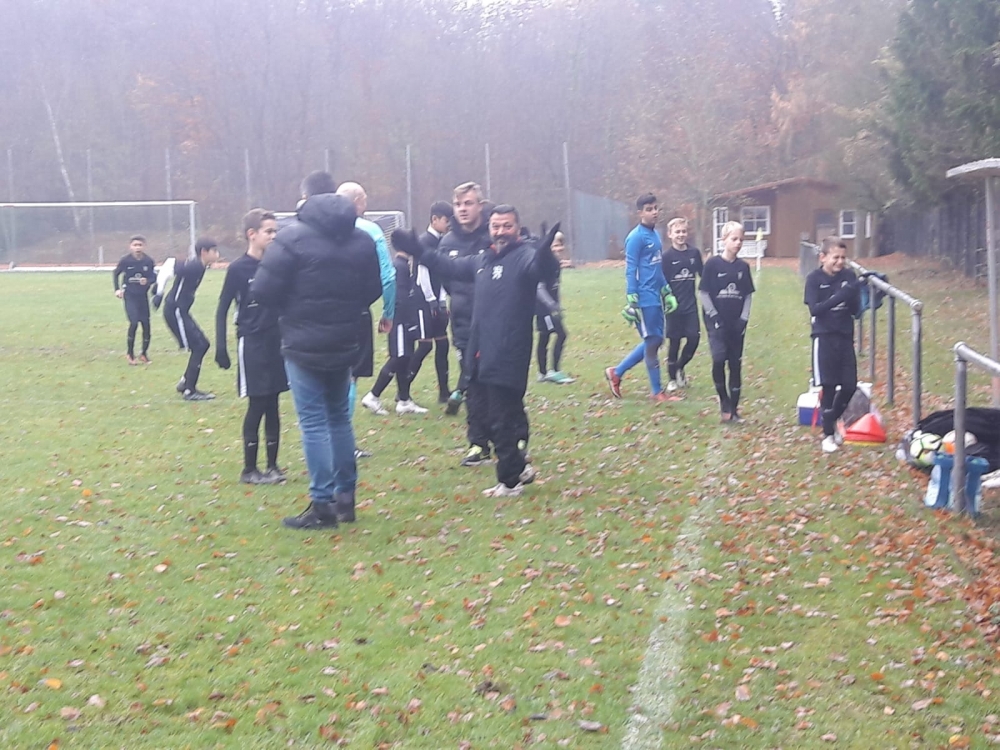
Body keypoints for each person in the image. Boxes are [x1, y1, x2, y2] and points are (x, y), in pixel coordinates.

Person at [394, 207, 560, 497]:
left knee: (502, 418)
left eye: (507, 226)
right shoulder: (483, 260)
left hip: (508, 351)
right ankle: (518, 467)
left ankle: (510, 482)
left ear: (517, 228)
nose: (500, 232)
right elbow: (447, 265)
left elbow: (542, 269)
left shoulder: (524, 257)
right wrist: (418, 250)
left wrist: (546, 255)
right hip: (480, 350)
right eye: (496, 226)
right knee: (486, 414)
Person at [251, 171, 383, 530]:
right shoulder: (361, 239)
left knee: (313, 422)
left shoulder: (290, 238)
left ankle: (322, 503)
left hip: (302, 341)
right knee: (339, 418)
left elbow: (263, 290)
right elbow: (372, 288)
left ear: (305, 198)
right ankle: (346, 498)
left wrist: (292, 309)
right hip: (345, 339)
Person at [214, 208, 288, 485]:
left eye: (275, 231)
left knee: (273, 404)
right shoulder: (238, 269)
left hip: (276, 342)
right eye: (269, 231)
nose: (274, 236)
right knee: (257, 403)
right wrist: (221, 346)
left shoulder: (277, 265)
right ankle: (249, 469)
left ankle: (273, 466)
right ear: (252, 234)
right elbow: (223, 308)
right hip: (252, 342)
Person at [335, 182, 396, 452]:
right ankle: (344, 443)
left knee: (326, 377)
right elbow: (388, 276)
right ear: (358, 201)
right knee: (349, 376)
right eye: (365, 199)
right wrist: (388, 312)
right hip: (355, 312)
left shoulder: (322, 229)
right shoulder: (370, 230)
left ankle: (324, 438)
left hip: (321, 313)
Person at [437, 182, 495, 466]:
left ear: (480, 206)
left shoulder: (493, 235)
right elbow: (446, 280)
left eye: (468, 203)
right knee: (472, 382)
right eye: (458, 204)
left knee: (499, 383)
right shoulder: (447, 242)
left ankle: (512, 439)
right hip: (462, 324)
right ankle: (478, 444)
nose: (462, 209)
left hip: (495, 321)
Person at [604, 194, 678, 402]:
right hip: (644, 298)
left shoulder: (655, 235)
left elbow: (656, 267)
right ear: (640, 213)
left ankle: (616, 372)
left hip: (655, 296)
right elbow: (631, 268)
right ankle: (656, 391)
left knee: (655, 340)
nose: (654, 212)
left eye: (656, 208)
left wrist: (666, 291)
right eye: (649, 209)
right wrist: (632, 296)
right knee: (653, 341)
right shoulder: (635, 237)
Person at [804, 236, 862, 453]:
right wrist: (841, 295)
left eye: (843, 258)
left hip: (845, 336)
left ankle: (831, 419)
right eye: (835, 257)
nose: (840, 262)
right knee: (828, 387)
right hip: (824, 337)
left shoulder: (849, 276)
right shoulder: (814, 279)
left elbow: (855, 310)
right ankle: (828, 434)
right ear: (823, 257)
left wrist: (858, 295)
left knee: (849, 386)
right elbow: (815, 310)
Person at [360, 231, 427, 415]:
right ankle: (373, 396)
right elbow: (401, 297)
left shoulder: (404, 265)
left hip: (403, 320)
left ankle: (404, 400)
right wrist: (407, 320)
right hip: (400, 320)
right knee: (398, 357)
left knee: (405, 359)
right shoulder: (399, 266)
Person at [699, 221, 755, 422]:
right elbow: (704, 292)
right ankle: (723, 399)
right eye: (734, 239)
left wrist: (743, 319)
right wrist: (713, 315)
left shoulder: (743, 267)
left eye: (741, 239)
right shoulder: (712, 264)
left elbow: (747, 295)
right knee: (718, 359)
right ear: (724, 240)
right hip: (716, 323)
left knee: (735, 364)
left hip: (735, 324)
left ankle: (734, 409)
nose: (738, 243)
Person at [155, 238, 220, 401]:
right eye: (214, 251)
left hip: (181, 311)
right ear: (204, 252)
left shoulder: (201, 267)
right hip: (175, 310)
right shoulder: (193, 266)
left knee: (203, 344)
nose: (217, 254)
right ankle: (189, 390)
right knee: (198, 346)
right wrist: (159, 293)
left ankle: (185, 382)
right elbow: (169, 264)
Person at [408, 201, 454, 403]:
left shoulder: (443, 241)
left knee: (443, 344)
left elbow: (441, 273)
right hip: (423, 300)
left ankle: (444, 392)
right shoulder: (424, 241)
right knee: (425, 345)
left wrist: (442, 300)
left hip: (437, 299)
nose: (449, 224)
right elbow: (422, 273)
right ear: (434, 219)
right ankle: (403, 390)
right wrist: (432, 300)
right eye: (446, 220)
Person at [661, 217, 704, 392]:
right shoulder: (667, 257)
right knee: (674, 342)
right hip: (674, 307)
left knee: (694, 338)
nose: (681, 235)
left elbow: (703, 275)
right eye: (677, 232)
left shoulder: (694, 253)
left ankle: (679, 366)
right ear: (670, 235)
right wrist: (665, 300)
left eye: (683, 231)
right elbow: (662, 282)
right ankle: (672, 379)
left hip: (690, 306)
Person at [112, 235, 157, 365]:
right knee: (134, 322)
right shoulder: (126, 260)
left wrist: (147, 281)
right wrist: (117, 289)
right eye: (135, 245)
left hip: (142, 296)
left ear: (144, 246)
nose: (137, 248)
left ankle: (144, 354)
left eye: (140, 245)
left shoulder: (148, 261)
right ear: (130, 247)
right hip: (130, 295)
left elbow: (153, 277)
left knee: (146, 324)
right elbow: (116, 273)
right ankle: (130, 354)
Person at [536, 231, 573, 384]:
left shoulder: (556, 262)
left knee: (544, 336)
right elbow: (539, 287)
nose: (558, 248)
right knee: (560, 334)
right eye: (555, 245)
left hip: (552, 307)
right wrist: (551, 305)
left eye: (560, 245)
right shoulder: (544, 262)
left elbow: (554, 286)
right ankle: (553, 371)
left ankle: (543, 373)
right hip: (544, 308)